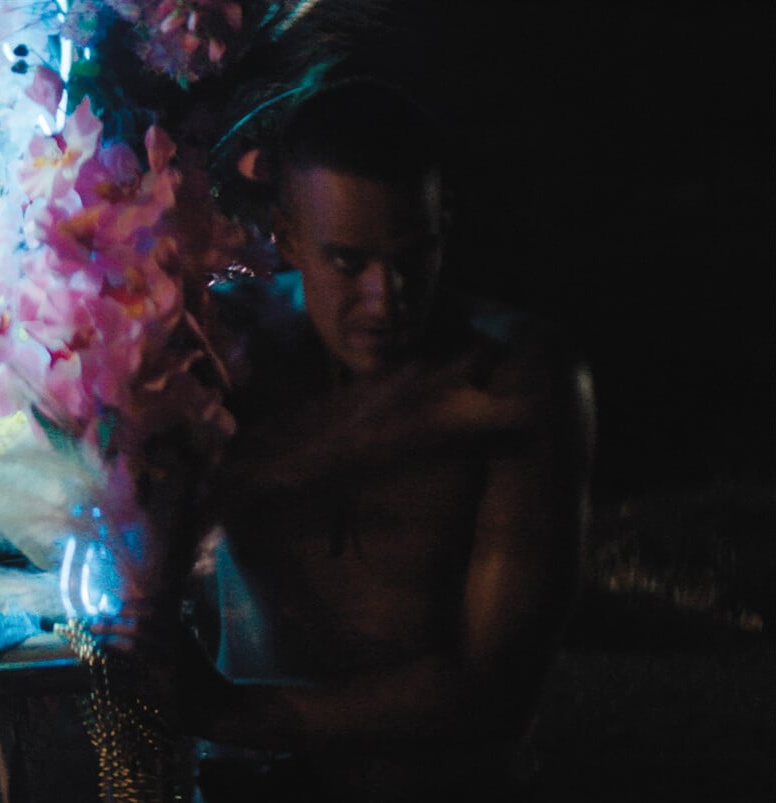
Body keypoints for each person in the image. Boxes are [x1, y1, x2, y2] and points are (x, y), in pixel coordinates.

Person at [178, 79, 593, 802]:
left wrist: (236, 716)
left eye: (412, 257)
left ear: (444, 227)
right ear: (287, 235)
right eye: (348, 262)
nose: (385, 298)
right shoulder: (226, 349)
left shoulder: (517, 377)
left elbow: (494, 689)